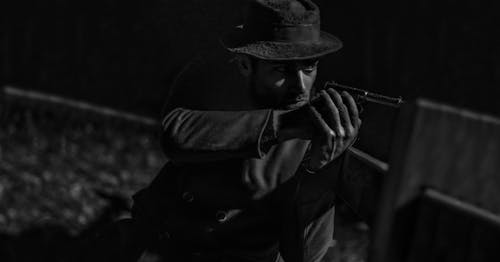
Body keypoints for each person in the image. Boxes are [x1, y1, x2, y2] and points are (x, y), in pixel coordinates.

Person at [105, 1, 361, 262]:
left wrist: (321, 172)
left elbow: (305, 256)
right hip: (154, 245)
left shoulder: (322, 138)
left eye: (309, 67)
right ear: (244, 65)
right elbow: (176, 135)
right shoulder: (214, 86)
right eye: (281, 70)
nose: (300, 86)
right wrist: (283, 124)